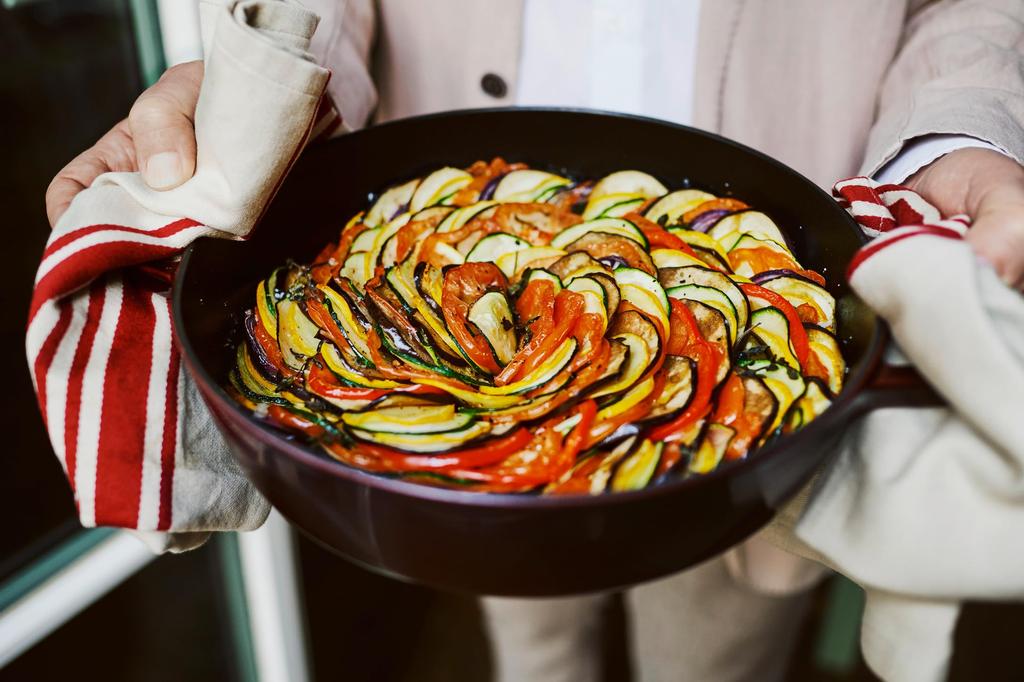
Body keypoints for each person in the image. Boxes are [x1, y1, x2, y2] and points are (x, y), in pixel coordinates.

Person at [45, 1, 1024, 680]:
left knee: (718, 653)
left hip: (756, 310)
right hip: (459, 345)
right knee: (524, 636)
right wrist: (254, 97)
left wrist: (957, 137)